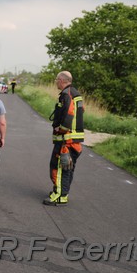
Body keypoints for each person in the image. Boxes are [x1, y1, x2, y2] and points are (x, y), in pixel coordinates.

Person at [43, 71, 85, 206]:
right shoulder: (75, 94)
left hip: (66, 140)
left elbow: (69, 114)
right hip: (74, 140)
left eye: (57, 80)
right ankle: (62, 193)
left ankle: (59, 196)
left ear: (62, 80)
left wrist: (60, 129)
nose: (56, 82)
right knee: (67, 168)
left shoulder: (67, 95)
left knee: (59, 167)